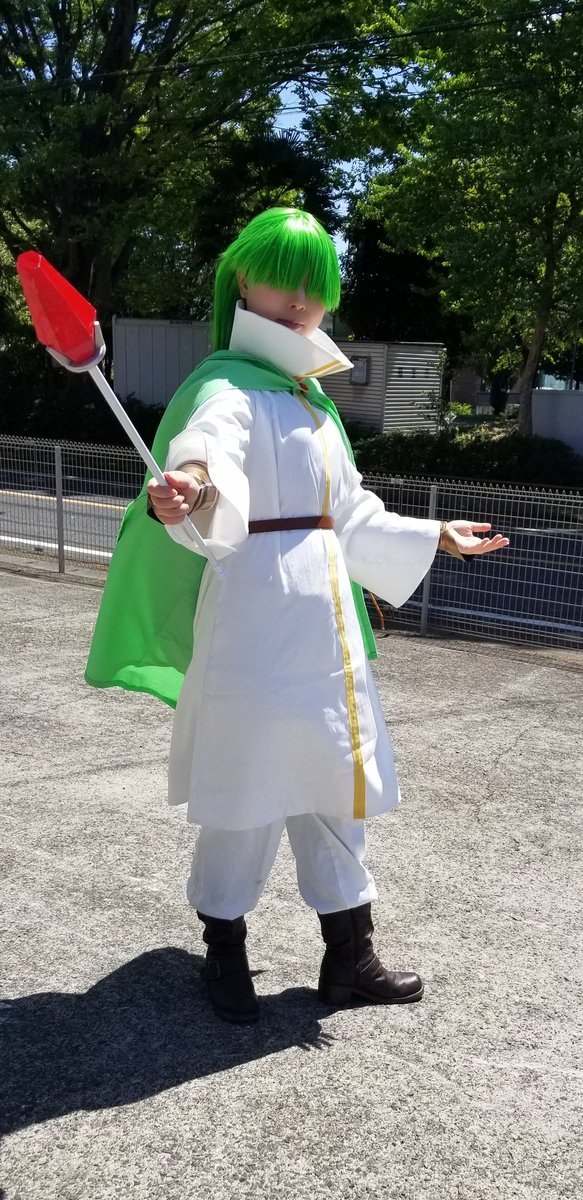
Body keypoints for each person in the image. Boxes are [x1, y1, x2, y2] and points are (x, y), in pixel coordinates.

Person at [86, 207, 509, 1024]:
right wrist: (190, 487)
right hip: (252, 622)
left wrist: (433, 533)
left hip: (328, 633)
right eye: (283, 281)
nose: (300, 302)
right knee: (241, 794)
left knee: (338, 789)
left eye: (313, 286)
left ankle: (350, 958)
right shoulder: (225, 389)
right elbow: (206, 448)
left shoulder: (311, 403)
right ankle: (224, 954)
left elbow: (348, 515)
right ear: (243, 281)